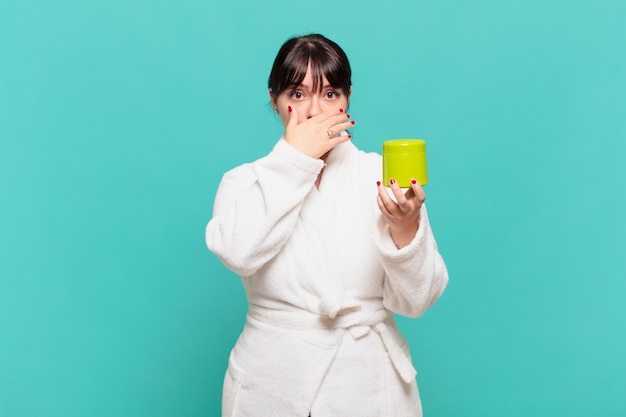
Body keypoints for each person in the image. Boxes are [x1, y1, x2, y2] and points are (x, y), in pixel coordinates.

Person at [206, 33, 448, 417]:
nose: (316, 111)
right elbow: (238, 254)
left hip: (367, 384)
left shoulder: (380, 175)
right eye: (298, 95)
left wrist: (405, 227)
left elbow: (418, 302)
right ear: (275, 99)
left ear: (347, 97)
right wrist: (295, 160)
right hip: (273, 382)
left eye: (330, 94)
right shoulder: (244, 182)